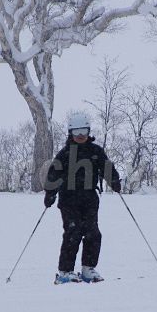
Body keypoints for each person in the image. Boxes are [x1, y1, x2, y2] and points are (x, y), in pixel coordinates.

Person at [44, 112, 122, 284]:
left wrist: (114, 181)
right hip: (69, 199)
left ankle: (88, 269)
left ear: (88, 131)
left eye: (84, 131)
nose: (80, 135)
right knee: (73, 232)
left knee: (93, 233)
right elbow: (53, 174)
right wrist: (50, 193)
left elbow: (107, 168)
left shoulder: (95, 151)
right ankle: (65, 271)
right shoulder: (65, 154)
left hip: (89, 199)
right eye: (76, 131)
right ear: (70, 133)